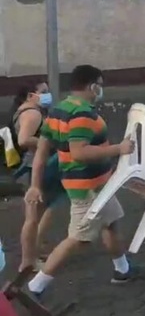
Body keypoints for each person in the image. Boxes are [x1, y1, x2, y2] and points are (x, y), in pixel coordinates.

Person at [25, 65, 137, 295]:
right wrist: (119, 149)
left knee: (111, 223)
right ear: (92, 85)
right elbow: (79, 152)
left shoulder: (58, 110)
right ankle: (36, 286)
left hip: (95, 184)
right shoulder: (82, 113)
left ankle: (122, 270)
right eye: (100, 85)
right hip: (88, 188)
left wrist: (36, 185)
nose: (101, 89)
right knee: (78, 238)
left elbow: (42, 152)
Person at [11, 82, 64, 272]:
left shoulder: (25, 112)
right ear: (30, 95)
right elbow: (24, 139)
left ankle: (35, 252)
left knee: (39, 214)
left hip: (34, 166)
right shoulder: (32, 114)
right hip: (35, 167)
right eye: (43, 92)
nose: (47, 95)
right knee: (33, 218)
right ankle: (28, 262)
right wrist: (48, 142)